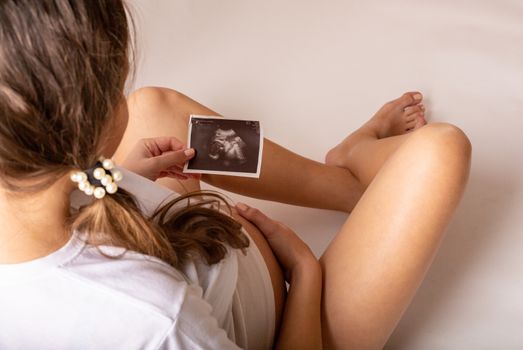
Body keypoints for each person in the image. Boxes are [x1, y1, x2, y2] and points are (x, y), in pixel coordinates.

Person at [0, 1, 471, 349]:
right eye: (115, 83)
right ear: (83, 128)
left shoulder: (28, 187)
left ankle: (347, 183)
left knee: (153, 108)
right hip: (291, 321)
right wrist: (305, 276)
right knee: (441, 150)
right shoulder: (158, 322)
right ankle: (357, 168)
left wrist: (128, 177)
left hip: (185, 244)